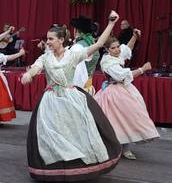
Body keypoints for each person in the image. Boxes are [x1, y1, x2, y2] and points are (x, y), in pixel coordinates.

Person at [21, 11, 122, 182]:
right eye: (48, 39)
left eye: (51, 39)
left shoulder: (73, 55)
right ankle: (56, 169)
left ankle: (78, 168)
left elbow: (98, 44)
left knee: (77, 133)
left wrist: (111, 24)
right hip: (51, 101)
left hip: (71, 98)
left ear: (61, 40)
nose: (48, 42)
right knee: (51, 135)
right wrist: (28, 75)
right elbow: (35, 68)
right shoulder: (45, 58)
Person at [94, 30, 160, 160]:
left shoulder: (117, 54)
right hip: (113, 92)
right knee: (115, 120)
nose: (117, 50)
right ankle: (114, 147)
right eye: (113, 48)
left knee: (129, 116)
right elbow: (122, 76)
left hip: (125, 90)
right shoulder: (107, 62)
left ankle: (126, 148)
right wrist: (143, 69)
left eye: (117, 46)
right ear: (107, 50)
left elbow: (127, 48)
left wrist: (134, 37)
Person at [70, 14, 100, 94]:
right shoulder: (92, 43)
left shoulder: (78, 46)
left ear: (76, 30)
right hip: (89, 87)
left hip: (79, 89)